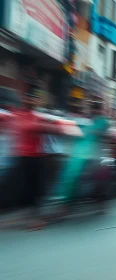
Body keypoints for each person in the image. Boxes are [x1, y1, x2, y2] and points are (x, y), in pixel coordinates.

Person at [11, 87, 62, 229]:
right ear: (23, 99)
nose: (29, 100)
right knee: (26, 188)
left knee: (36, 189)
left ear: (36, 101)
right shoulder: (18, 115)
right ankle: (31, 216)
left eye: (32, 98)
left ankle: (37, 218)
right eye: (27, 98)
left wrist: (47, 127)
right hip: (21, 157)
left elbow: (56, 130)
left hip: (36, 158)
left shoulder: (38, 117)